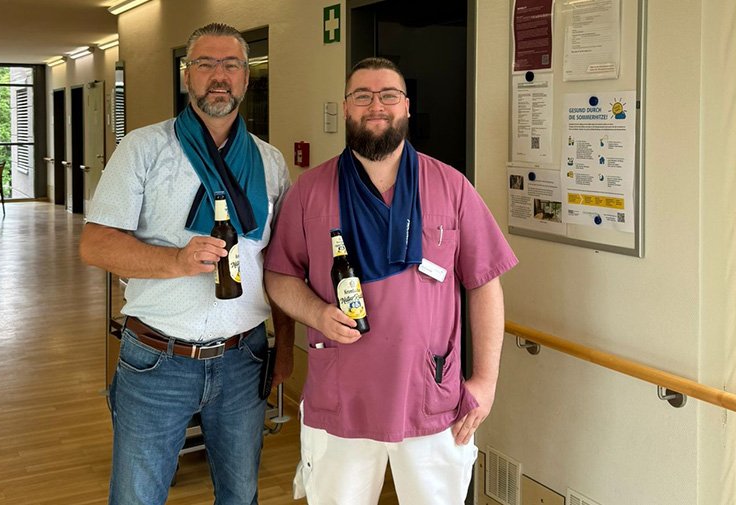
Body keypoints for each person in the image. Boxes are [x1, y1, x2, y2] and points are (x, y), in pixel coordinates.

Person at [263, 57, 518, 504]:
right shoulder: (310, 192)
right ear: (345, 108)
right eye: (362, 95)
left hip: (433, 395)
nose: (375, 105)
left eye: (388, 96)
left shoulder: (451, 187)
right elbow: (280, 277)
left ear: (406, 107)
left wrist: (487, 382)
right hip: (341, 397)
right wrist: (318, 313)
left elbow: (484, 283)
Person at [79, 22, 293, 505]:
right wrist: (176, 260)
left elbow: (279, 263)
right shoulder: (144, 147)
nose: (219, 75)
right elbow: (95, 245)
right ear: (187, 75)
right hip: (157, 358)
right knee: (136, 497)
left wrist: (286, 346)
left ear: (245, 77)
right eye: (206, 64)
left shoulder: (271, 162)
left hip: (245, 357)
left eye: (231, 64)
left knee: (240, 495)